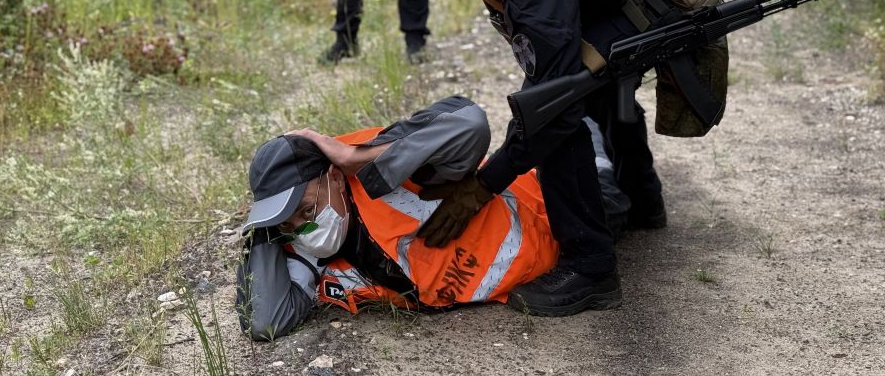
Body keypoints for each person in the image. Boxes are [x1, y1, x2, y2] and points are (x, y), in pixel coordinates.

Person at [348, 0, 738, 317]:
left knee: (555, 109)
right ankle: (643, 201)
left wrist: (482, 186)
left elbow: (550, 104)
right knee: (592, 78)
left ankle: (591, 270)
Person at [235, 96, 632, 340]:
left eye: (306, 210)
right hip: (535, 264)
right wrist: (266, 228)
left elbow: (469, 122)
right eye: (288, 223)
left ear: (335, 178)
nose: (304, 229)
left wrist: (357, 157)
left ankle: (590, 113)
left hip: (553, 214)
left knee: (602, 173)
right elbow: (265, 321)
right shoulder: (305, 250)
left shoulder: (382, 174)